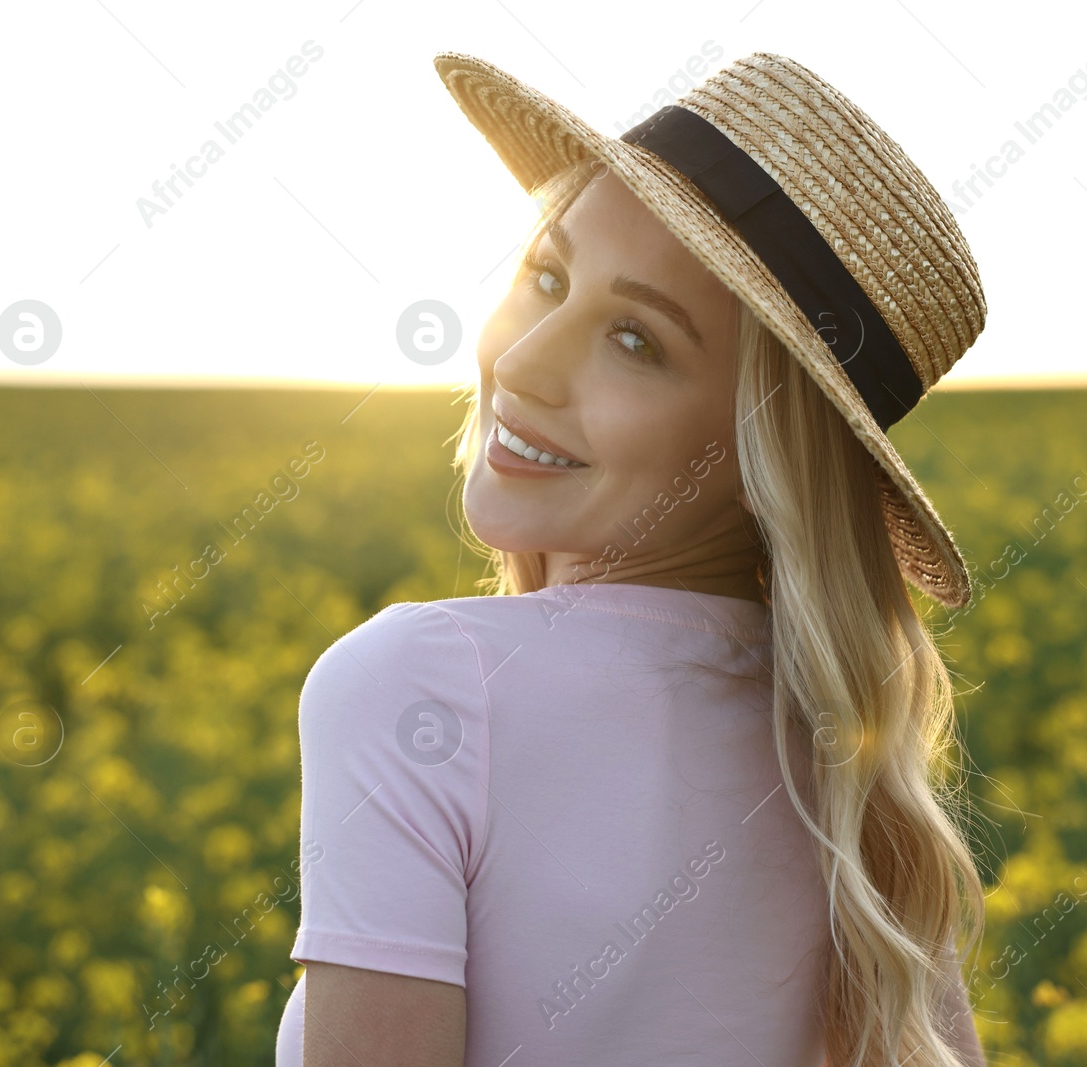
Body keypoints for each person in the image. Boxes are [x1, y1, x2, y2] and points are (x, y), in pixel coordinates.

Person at [276, 50, 991, 1066]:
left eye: (637, 342)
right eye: (547, 277)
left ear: (760, 455)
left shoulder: (422, 684)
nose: (521, 361)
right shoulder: (854, 777)